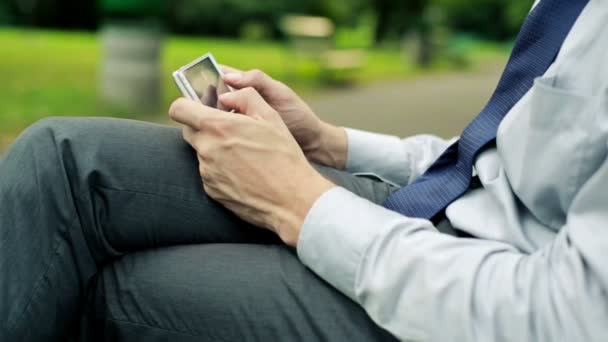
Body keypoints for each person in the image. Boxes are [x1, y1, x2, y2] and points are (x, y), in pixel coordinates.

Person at [1, 0, 606, 341]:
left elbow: (567, 317)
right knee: (61, 159)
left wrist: (298, 201)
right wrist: (327, 142)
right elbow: (497, 155)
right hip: (443, 215)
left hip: (472, 297)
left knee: (126, 291)